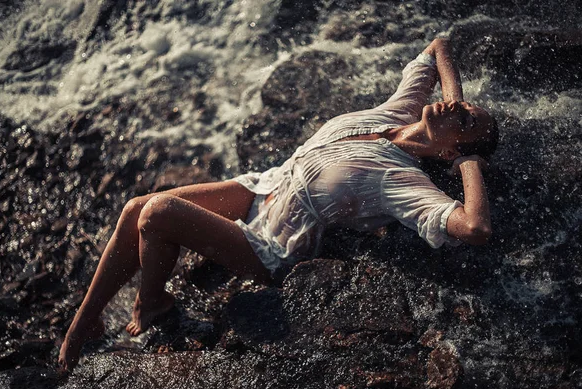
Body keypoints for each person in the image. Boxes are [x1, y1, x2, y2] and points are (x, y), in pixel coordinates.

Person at [58, 37, 498, 371]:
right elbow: (439, 45)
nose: (456, 109)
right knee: (137, 205)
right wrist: (453, 99)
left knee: (157, 214)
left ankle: (152, 305)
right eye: (465, 106)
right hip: (264, 188)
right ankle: (83, 325)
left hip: (274, 245)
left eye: (465, 121)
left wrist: (468, 163)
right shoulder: (400, 111)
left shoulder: (402, 179)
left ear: (448, 152)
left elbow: (475, 228)